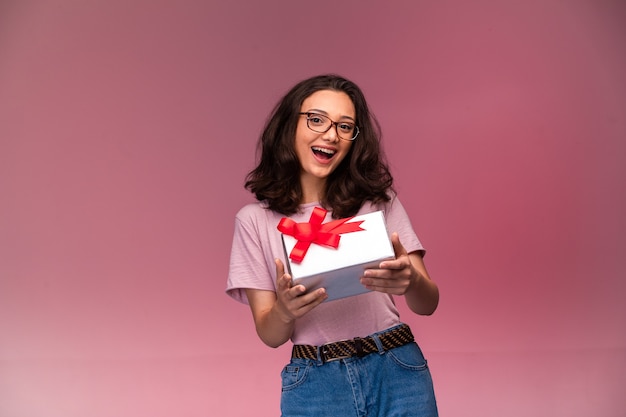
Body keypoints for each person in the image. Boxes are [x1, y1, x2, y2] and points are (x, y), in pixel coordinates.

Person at [226, 74, 439, 416]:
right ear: (288, 127)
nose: (330, 135)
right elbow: (270, 333)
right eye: (316, 119)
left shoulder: (379, 203)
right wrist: (285, 309)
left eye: (345, 126)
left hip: (398, 370)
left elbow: (428, 303)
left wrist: (412, 282)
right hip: (316, 382)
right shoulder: (253, 221)